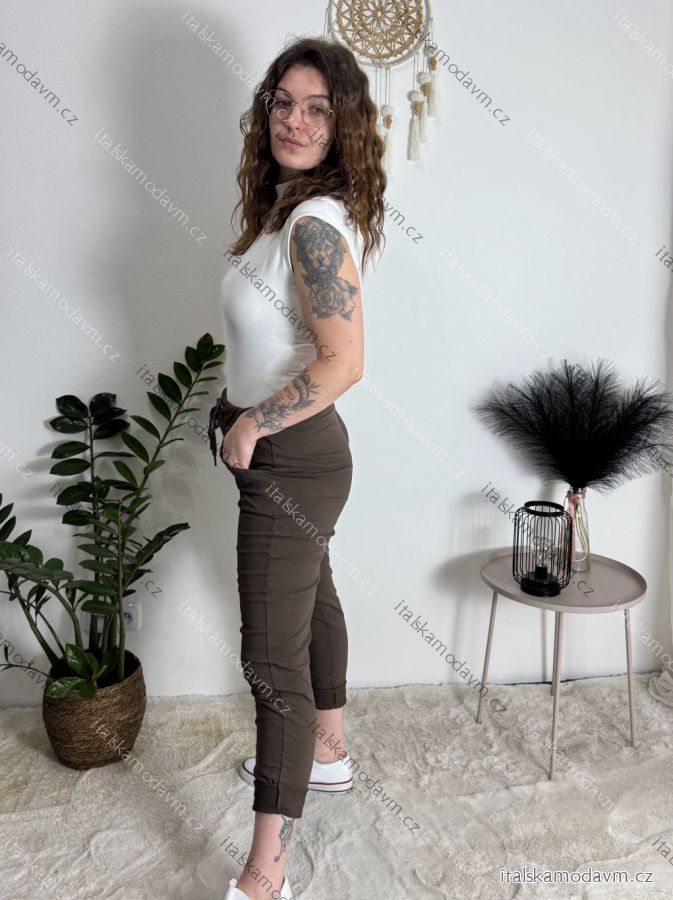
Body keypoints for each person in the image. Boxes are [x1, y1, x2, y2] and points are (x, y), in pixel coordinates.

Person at [208, 35, 386, 900]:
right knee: (313, 601)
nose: (295, 120)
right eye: (283, 102)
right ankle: (328, 756)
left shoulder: (313, 225)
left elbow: (344, 361)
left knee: (270, 665)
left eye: (318, 108)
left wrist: (251, 425)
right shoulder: (289, 212)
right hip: (290, 455)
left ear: (342, 122)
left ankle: (264, 872)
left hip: (290, 458)